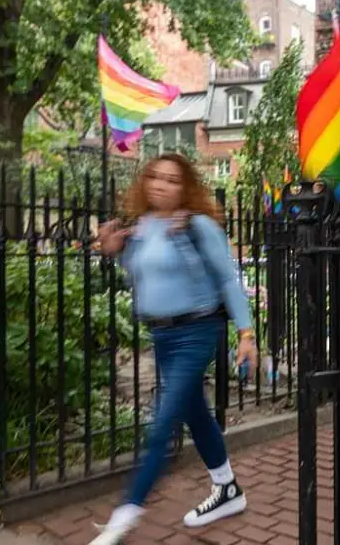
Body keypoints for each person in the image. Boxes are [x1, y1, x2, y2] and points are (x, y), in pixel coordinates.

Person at [89, 153, 257, 544]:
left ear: (186, 188)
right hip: (162, 335)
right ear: (145, 183)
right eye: (155, 178)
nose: (162, 185)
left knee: (163, 422)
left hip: (197, 330)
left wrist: (246, 335)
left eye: (172, 180)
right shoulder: (143, 228)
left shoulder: (197, 226)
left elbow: (229, 281)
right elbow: (143, 278)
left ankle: (124, 517)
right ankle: (227, 489)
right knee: (194, 411)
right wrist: (115, 251)